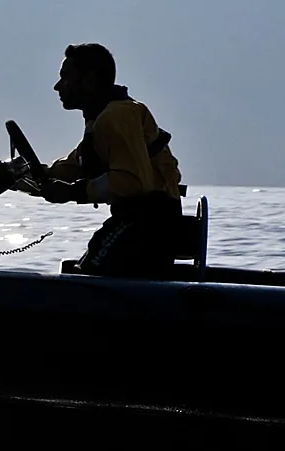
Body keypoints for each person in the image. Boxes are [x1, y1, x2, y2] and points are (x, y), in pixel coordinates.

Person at [34, 43, 184, 279]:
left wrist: (74, 193)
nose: (57, 86)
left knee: (88, 279)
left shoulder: (115, 117)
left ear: (89, 80)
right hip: (134, 222)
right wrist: (4, 173)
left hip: (148, 226)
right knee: (83, 266)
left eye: (65, 77)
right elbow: (66, 170)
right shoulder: (101, 120)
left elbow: (133, 181)